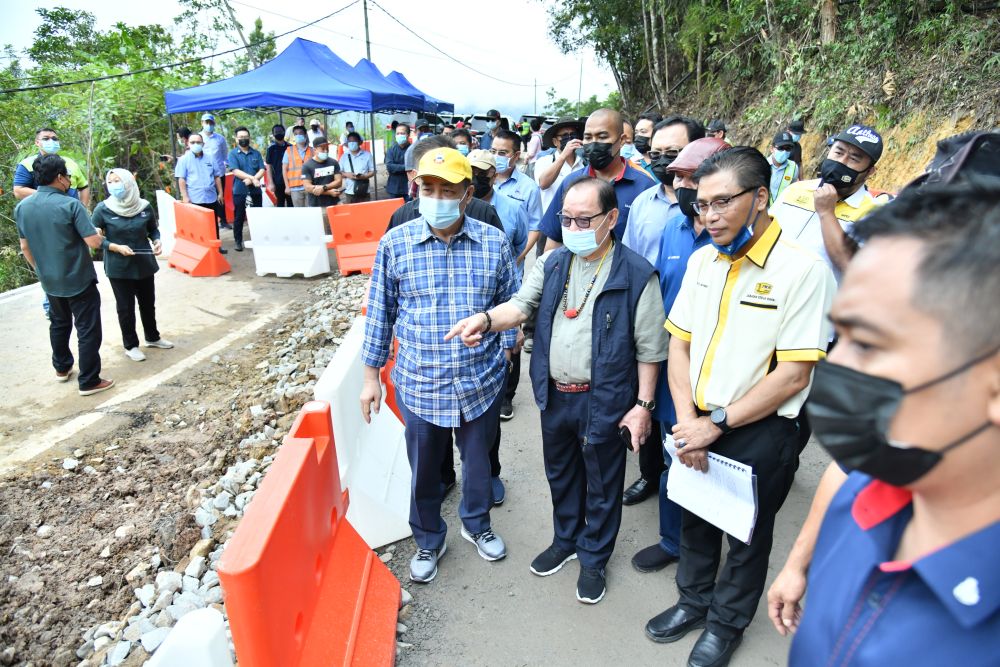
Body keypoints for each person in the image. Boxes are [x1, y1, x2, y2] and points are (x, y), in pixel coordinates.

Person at [785, 181, 1000, 666]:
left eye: (869, 344)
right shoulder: (858, 500)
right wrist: (798, 564)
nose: (835, 369)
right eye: (838, 337)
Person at [649, 147, 835, 667]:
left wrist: (718, 423)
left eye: (721, 203)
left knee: (747, 533)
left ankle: (726, 624)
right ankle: (693, 601)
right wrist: (688, 419)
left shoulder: (802, 271)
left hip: (759, 429)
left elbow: (795, 373)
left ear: (760, 197)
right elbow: (679, 344)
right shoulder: (702, 260)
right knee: (695, 514)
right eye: (700, 205)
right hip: (696, 418)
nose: (707, 217)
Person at [445, 177, 668, 605]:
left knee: (602, 483)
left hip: (604, 399)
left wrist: (642, 405)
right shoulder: (553, 263)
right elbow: (521, 306)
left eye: (584, 219)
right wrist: (486, 320)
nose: (573, 226)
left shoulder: (637, 273)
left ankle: (594, 557)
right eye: (566, 218)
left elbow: (650, 350)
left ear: (611, 218)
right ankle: (566, 540)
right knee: (561, 473)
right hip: (555, 393)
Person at [361, 147, 519, 584]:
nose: (436, 197)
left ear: (467, 194)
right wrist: (371, 377)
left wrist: (508, 349)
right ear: (416, 189)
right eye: (428, 188)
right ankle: (429, 538)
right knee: (425, 469)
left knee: (478, 462)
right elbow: (380, 312)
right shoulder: (396, 242)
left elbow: (512, 299)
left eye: (447, 189)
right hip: (419, 380)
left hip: (479, 379)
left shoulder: (493, 242)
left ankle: (477, 523)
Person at [631, 137, 729, 574]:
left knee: (712, 461)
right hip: (674, 362)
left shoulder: (739, 239)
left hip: (719, 373)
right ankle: (673, 540)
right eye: (679, 177)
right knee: (675, 450)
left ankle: (703, 551)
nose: (683, 186)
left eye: (693, 177)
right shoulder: (674, 225)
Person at [619, 116, 704, 508]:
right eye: (658, 153)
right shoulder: (643, 204)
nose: (665, 161)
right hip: (652, 326)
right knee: (649, 405)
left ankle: (690, 496)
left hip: (700, 337)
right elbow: (632, 260)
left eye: (675, 153)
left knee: (688, 416)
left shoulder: (712, 218)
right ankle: (651, 476)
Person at [15, 155, 115, 396]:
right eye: (68, 175)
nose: (70, 180)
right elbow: (92, 242)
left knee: (59, 324)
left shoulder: (22, 208)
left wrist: (41, 271)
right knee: (87, 328)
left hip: (49, 280)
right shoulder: (71, 205)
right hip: (78, 278)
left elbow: (25, 247)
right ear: (59, 177)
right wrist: (100, 235)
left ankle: (62, 368)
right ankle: (89, 380)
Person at [770, 124, 890, 282]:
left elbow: (853, 267)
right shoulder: (795, 190)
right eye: (838, 152)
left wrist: (827, 213)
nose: (842, 161)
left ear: (869, 172)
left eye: (854, 158)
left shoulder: (874, 213)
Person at [540, 108, 657, 249]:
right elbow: (554, 239)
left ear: (621, 140)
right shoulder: (571, 183)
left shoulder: (644, 187)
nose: (594, 143)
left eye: (602, 137)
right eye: (588, 137)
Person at [91, 169, 173, 362]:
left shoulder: (144, 206)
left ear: (128, 182)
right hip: (119, 267)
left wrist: (157, 241)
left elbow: (153, 230)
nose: (113, 185)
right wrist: (115, 247)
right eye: (110, 182)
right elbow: (94, 238)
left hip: (144, 264)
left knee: (147, 303)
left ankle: (153, 337)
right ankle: (131, 345)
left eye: (117, 180)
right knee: (125, 308)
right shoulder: (103, 209)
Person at [491, 129, 543, 265]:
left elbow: (535, 227)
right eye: (493, 151)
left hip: (513, 262)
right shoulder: (481, 181)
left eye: (502, 153)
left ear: (516, 155)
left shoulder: (529, 187)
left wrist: (519, 257)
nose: (496, 156)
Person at [175, 133, 227, 254]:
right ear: (188, 144)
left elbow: (217, 177)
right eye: (193, 142)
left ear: (203, 144)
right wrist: (185, 197)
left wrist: (220, 193)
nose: (196, 145)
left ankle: (216, 247)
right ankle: (201, 250)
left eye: (198, 142)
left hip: (211, 197)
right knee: (198, 226)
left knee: (213, 224)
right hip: (195, 199)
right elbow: (181, 179)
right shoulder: (184, 160)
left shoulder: (210, 158)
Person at [14, 127, 90, 205]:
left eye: (54, 139)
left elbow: (84, 187)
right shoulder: (27, 164)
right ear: (37, 142)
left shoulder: (70, 163)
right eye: (46, 139)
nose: (51, 141)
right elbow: (18, 191)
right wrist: (52, 196)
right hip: (43, 212)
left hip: (71, 213)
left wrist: (82, 207)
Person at [227, 127, 265, 252]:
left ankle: (259, 240)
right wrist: (251, 178)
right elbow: (235, 170)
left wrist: (253, 179)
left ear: (249, 137)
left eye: (245, 137)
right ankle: (238, 241)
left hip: (255, 190)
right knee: (239, 216)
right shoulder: (232, 154)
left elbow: (262, 169)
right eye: (241, 137)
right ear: (236, 139)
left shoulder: (256, 153)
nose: (243, 139)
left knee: (258, 216)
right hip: (240, 190)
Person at [199, 114, 229, 229]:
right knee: (208, 198)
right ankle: (211, 222)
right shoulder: (199, 138)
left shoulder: (220, 138)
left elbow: (224, 154)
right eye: (206, 122)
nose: (209, 125)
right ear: (202, 123)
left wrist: (226, 165)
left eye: (210, 123)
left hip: (220, 172)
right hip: (205, 174)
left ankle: (224, 220)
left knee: (221, 196)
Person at [301, 136, 343, 209]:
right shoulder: (307, 166)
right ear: (315, 150)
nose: (326, 151)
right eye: (323, 149)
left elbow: (339, 182)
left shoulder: (333, 162)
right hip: (316, 204)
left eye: (327, 148)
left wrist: (324, 187)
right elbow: (307, 187)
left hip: (334, 203)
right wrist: (329, 192)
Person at [282, 125, 314, 208]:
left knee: (312, 213)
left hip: (310, 187)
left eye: (300, 133)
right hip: (295, 189)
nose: (298, 135)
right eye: (295, 134)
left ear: (305, 134)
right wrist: (287, 187)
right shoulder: (289, 151)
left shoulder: (312, 151)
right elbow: (284, 170)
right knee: (300, 214)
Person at [340, 131, 375, 204]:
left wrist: (364, 176)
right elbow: (339, 172)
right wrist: (347, 175)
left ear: (359, 142)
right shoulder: (344, 156)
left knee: (365, 212)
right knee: (352, 214)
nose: (352, 143)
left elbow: (373, 171)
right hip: (350, 191)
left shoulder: (367, 155)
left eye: (354, 141)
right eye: (349, 141)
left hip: (364, 190)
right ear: (347, 143)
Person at [767, 131, 799, 204]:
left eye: (788, 148)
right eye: (781, 148)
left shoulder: (794, 168)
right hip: (764, 212)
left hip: (781, 211)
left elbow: (792, 190)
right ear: (772, 149)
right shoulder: (762, 165)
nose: (784, 152)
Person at [265, 124, 292, 207]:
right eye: (276, 132)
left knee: (292, 203)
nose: (279, 133)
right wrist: (271, 183)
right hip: (278, 181)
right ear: (273, 134)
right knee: (280, 203)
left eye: (281, 131)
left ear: (284, 132)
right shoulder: (271, 149)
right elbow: (268, 167)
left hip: (290, 180)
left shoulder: (290, 147)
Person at [386, 123, 411, 201]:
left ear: (408, 134)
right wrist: (406, 167)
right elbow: (389, 167)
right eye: (398, 133)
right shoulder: (391, 150)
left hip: (408, 189)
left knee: (409, 212)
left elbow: (414, 166)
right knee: (394, 211)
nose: (400, 135)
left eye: (402, 133)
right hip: (393, 188)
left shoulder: (413, 150)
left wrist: (396, 167)